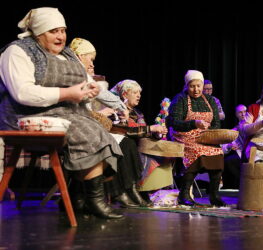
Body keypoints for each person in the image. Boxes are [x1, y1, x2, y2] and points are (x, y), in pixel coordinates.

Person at [0, 7, 124, 219]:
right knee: (88, 133)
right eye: (53, 31)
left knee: (103, 134)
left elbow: (88, 82)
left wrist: (91, 89)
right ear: (39, 33)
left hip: (68, 114)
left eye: (63, 30)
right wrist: (67, 93)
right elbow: (23, 92)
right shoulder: (18, 51)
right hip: (26, 116)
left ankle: (79, 197)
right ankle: (94, 200)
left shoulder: (68, 54)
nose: (60, 36)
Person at [69, 38, 152, 208]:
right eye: (90, 60)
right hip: (78, 124)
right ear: (80, 56)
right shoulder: (72, 71)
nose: (92, 65)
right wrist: (108, 111)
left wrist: (118, 107)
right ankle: (116, 192)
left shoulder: (82, 74)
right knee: (113, 144)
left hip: (91, 124)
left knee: (127, 144)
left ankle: (129, 189)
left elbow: (99, 93)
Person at [167, 70, 226, 207]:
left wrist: (207, 132)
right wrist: (194, 123)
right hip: (184, 136)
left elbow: (216, 123)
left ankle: (214, 194)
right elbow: (173, 122)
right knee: (195, 151)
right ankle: (184, 193)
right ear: (187, 86)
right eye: (192, 86)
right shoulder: (180, 99)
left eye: (198, 86)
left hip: (205, 136)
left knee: (218, 152)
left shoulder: (210, 100)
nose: (196, 89)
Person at [109, 79, 168, 205]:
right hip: (120, 145)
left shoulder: (137, 113)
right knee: (139, 153)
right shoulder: (116, 110)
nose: (139, 95)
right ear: (124, 94)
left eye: (139, 93)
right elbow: (124, 131)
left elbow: (144, 132)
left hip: (137, 145)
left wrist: (156, 133)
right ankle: (133, 190)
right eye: (135, 92)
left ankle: (142, 191)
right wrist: (150, 129)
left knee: (161, 155)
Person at [221, 104, 247, 189]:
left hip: (255, 154)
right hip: (242, 155)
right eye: (240, 112)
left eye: (245, 112)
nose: (243, 114)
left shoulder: (254, 126)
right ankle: (242, 184)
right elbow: (223, 147)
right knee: (228, 161)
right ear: (236, 115)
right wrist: (229, 145)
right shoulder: (235, 130)